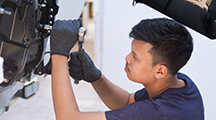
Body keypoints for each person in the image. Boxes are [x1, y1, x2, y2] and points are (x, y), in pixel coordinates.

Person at [49, 17, 204, 120]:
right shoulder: (182, 84)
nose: (127, 58)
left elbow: (68, 118)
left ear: (160, 71)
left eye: (135, 56)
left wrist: (59, 54)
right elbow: (127, 101)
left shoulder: (159, 112)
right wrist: (96, 77)